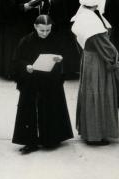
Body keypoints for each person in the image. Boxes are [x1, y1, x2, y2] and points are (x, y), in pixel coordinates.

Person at [12, 15, 73, 153]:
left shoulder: (56, 39)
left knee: (51, 107)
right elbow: (17, 61)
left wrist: (60, 59)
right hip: (31, 80)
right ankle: (29, 141)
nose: (45, 33)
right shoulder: (26, 41)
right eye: (42, 30)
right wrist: (26, 66)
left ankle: (50, 138)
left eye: (48, 30)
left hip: (50, 80)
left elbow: (64, 55)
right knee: (29, 109)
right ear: (35, 27)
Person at [71, 0, 119, 145]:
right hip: (98, 61)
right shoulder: (93, 21)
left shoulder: (82, 16)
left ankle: (89, 129)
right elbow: (106, 47)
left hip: (88, 58)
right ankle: (96, 133)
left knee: (90, 93)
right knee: (98, 93)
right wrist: (114, 60)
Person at [46, 0, 81, 76]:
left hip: (62, 21)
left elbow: (59, 2)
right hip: (71, 20)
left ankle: (64, 69)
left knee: (62, 44)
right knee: (70, 44)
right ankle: (71, 68)